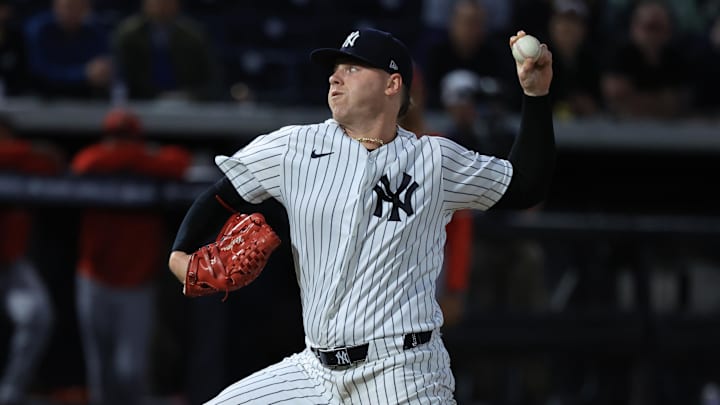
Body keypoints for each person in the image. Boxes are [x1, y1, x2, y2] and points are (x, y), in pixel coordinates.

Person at [168, 28, 555, 403]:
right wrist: (180, 255)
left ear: (392, 84)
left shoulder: (434, 160)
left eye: (353, 68)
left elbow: (525, 186)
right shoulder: (294, 148)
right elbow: (221, 196)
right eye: (335, 68)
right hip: (314, 372)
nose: (336, 76)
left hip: (403, 372)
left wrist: (535, 95)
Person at [70, 109, 191, 405]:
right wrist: (136, 157)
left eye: (126, 138)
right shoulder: (100, 162)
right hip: (94, 279)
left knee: (131, 372)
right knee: (100, 375)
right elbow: (82, 163)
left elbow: (180, 162)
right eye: (115, 138)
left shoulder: (150, 164)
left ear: (138, 139)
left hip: (136, 285)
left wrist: (129, 156)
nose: (120, 144)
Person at [0, 116, 60, 405]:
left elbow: (52, 162)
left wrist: (18, 152)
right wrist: (24, 151)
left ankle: (9, 395)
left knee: (37, 316)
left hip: (10, 265)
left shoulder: (20, 161)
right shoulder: (20, 156)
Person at [112, 0, 222, 101]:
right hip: (141, 102)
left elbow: (210, 78)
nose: (162, 6)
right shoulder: (128, 35)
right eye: (157, 2)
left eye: (167, 2)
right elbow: (124, 77)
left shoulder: (194, 35)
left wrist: (190, 95)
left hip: (186, 103)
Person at [24, 0, 112, 99]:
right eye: (68, 6)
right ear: (55, 6)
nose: (73, 12)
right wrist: (82, 74)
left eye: (79, 7)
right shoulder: (39, 30)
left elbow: (103, 63)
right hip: (43, 99)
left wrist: (102, 70)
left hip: (85, 98)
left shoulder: (94, 31)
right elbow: (40, 71)